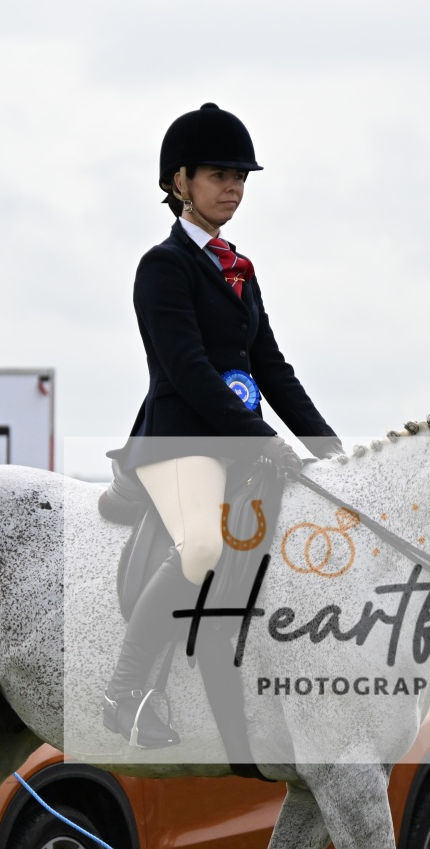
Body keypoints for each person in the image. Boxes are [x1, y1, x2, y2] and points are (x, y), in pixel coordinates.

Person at [103, 102, 342, 749]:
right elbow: (187, 369)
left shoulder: (240, 269)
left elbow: (272, 368)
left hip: (239, 443)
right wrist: (261, 438)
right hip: (179, 441)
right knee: (203, 547)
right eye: (219, 175)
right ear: (180, 181)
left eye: (240, 176)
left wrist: (331, 450)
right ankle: (124, 690)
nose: (233, 187)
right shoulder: (163, 266)